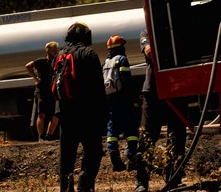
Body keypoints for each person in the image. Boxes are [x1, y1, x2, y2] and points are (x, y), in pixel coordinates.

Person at [134, 28, 187, 192]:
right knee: (147, 136)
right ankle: (142, 182)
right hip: (153, 92)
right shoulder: (146, 33)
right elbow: (149, 51)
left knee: (177, 135)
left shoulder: (177, 30)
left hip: (177, 88)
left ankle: (174, 178)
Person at [56, 22, 106, 192]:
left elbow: (53, 86)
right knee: (94, 151)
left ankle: (66, 188)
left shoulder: (60, 55)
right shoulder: (89, 53)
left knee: (66, 157)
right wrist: (103, 114)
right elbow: (98, 87)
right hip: (88, 114)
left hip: (66, 114)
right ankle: (85, 185)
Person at [103, 35, 139, 172]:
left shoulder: (105, 63)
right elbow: (126, 82)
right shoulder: (122, 60)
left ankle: (115, 159)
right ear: (121, 47)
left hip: (111, 101)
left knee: (112, 130)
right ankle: (131, 159)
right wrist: (133, 100)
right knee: (131, 129)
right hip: (123, 100)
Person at [25, 41, 60, 141]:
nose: (54, 51)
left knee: (55, 114)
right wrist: (35, 78)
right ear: (48, 50)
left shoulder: (57, 62)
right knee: (41, 114)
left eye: (55, 49)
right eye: (53, 49)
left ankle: (49, 135)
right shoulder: (41, 61)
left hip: (52, 91)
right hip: (42, 91)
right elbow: (28, 66)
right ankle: (41, 137)